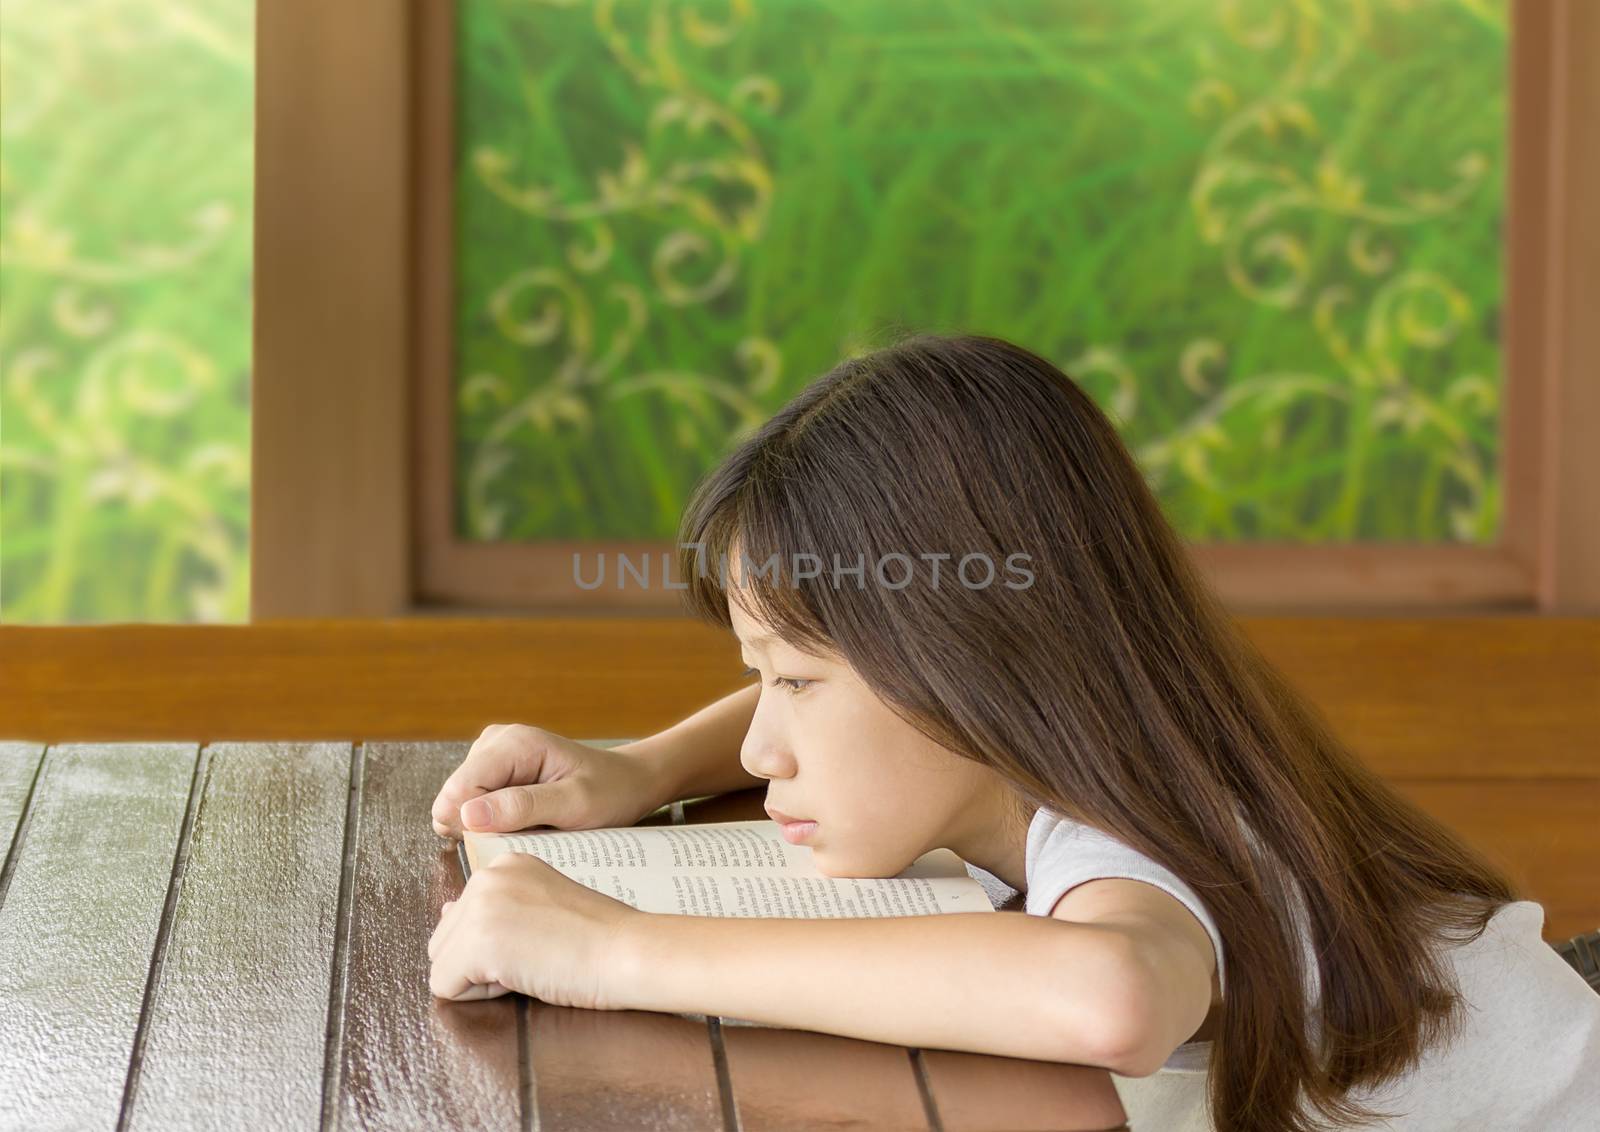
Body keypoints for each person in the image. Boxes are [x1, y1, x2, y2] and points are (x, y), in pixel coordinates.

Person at [427, 333, 1599, 1131]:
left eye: (793, 681)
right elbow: (853, 687)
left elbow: (1114, 998)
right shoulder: (1107, 720)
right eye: (764, 675)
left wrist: (615, 950)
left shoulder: (1123, 829)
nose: (758, 748)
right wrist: (642, 766)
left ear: (966, 666)